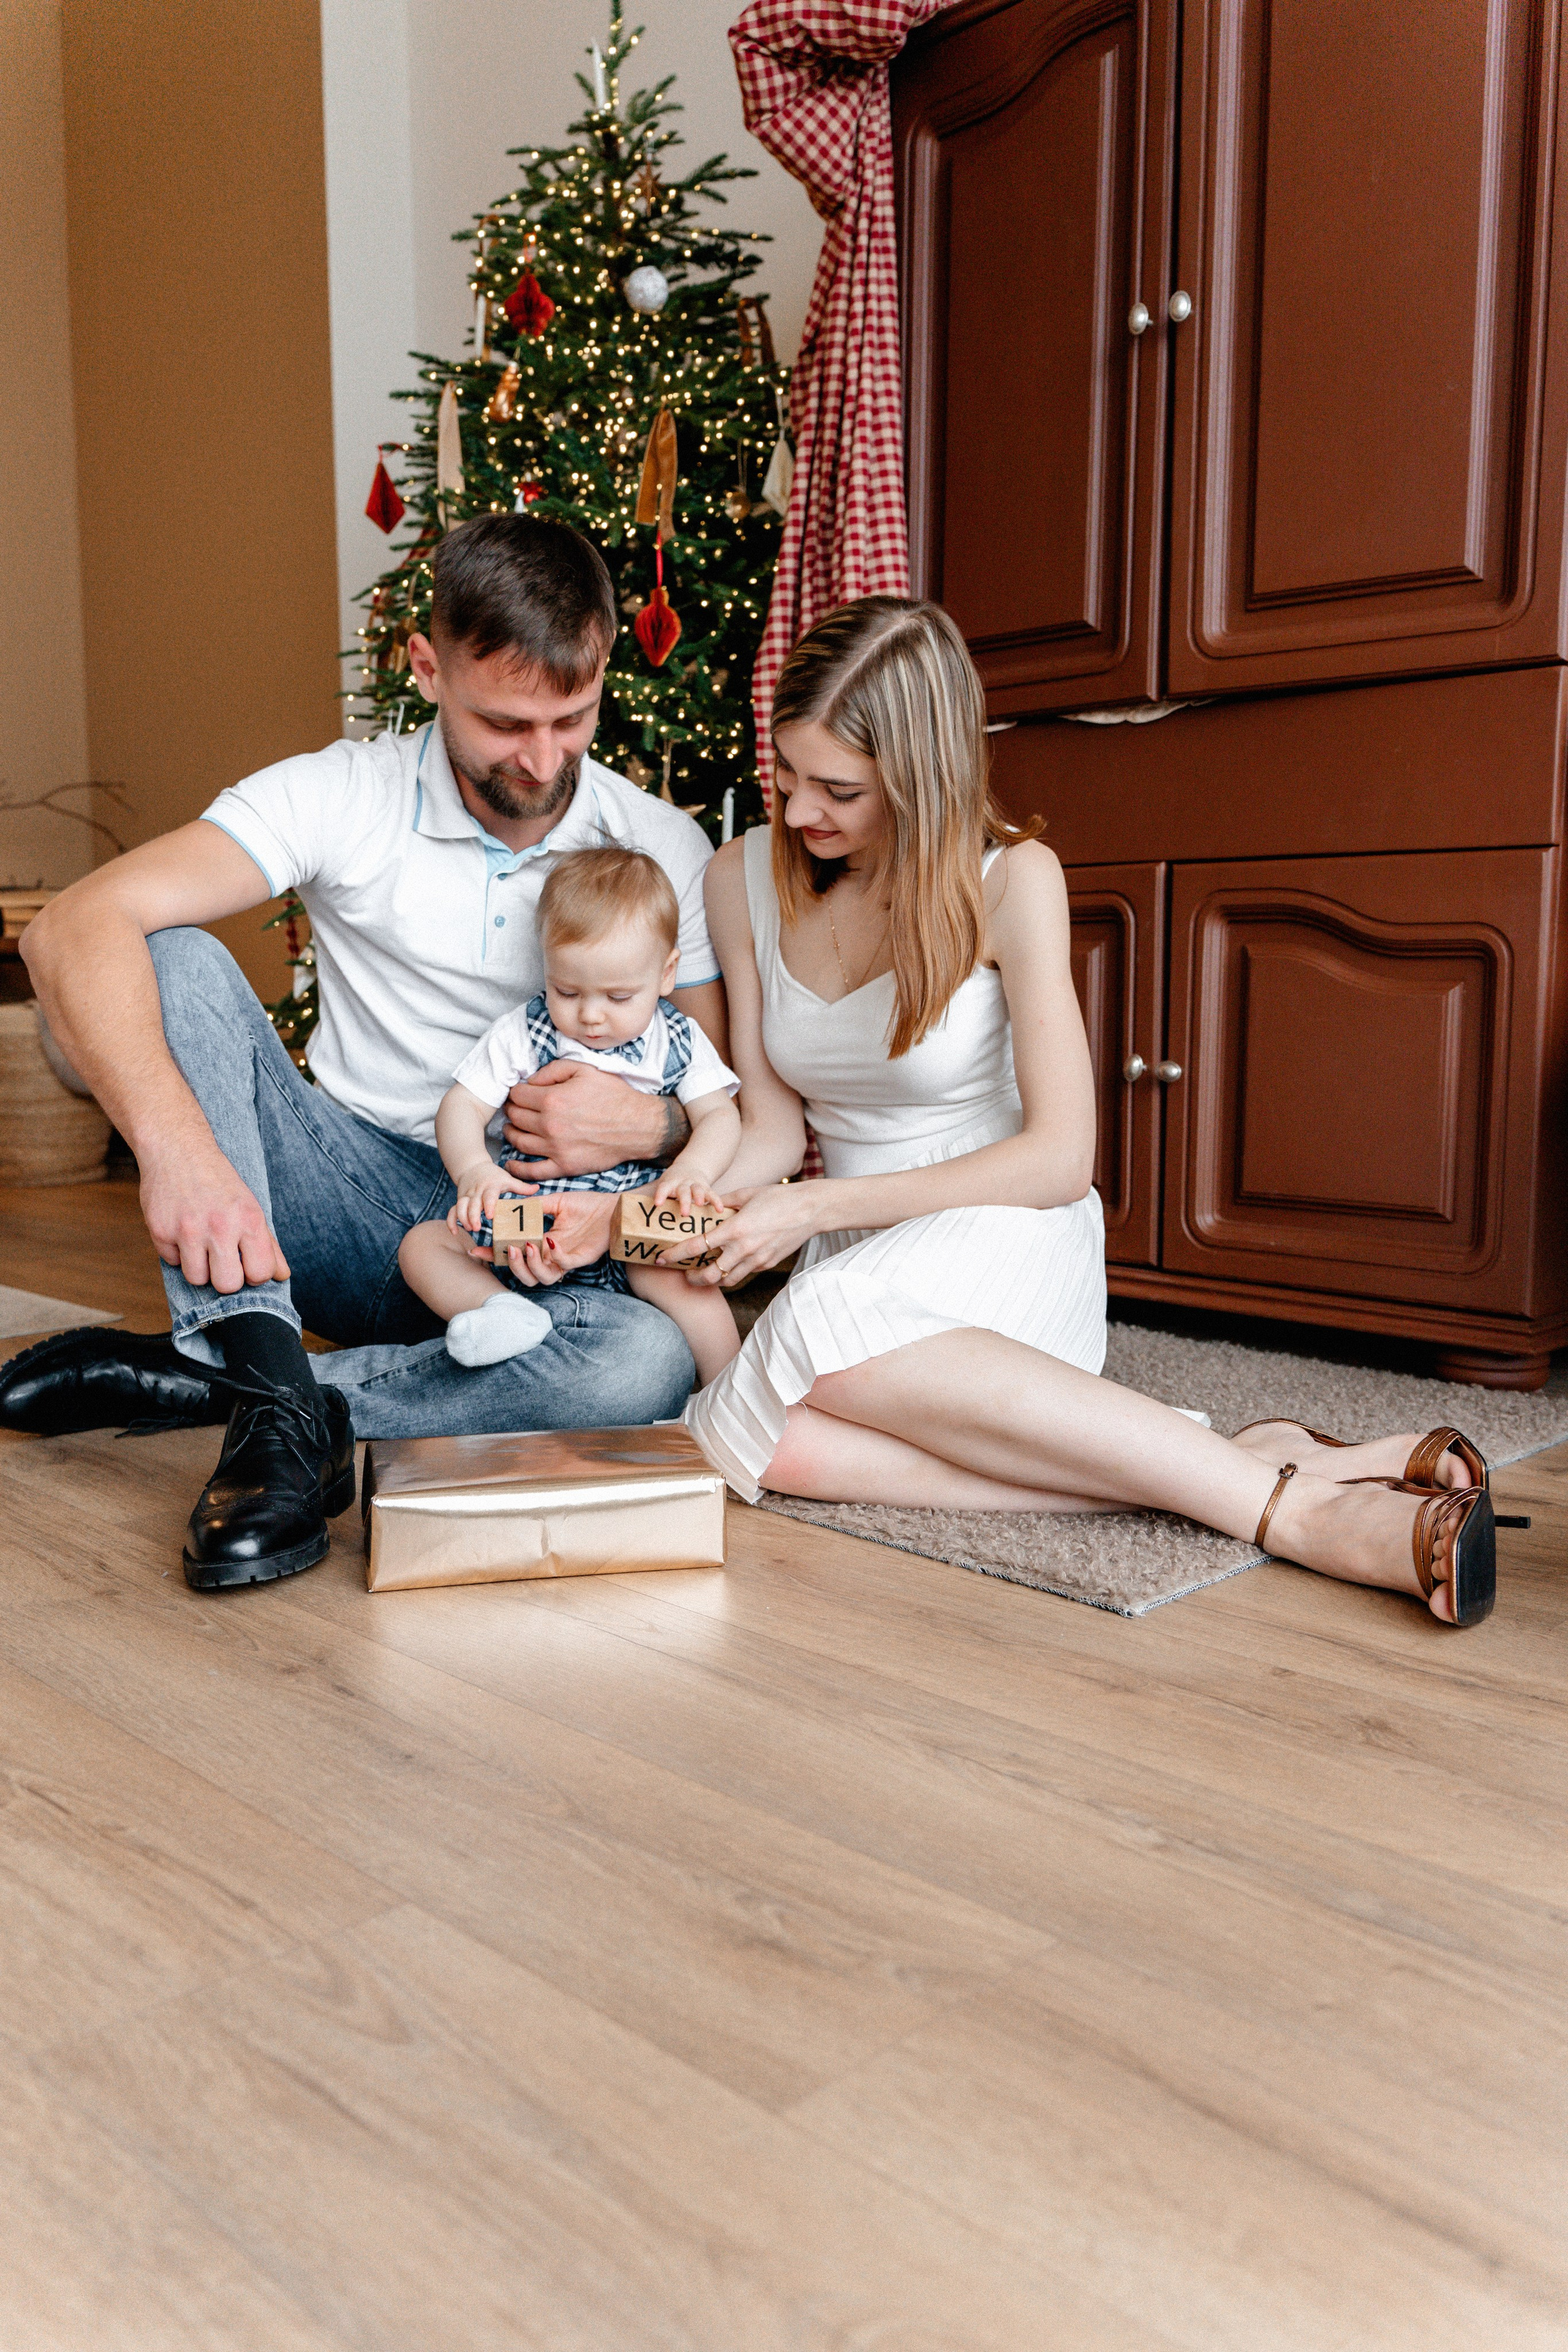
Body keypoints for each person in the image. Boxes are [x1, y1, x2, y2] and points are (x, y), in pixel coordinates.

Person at [666, 597, 1501, 1629]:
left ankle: (1294, 1513)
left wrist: (808, 1215)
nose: (798, 815)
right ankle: (1218, 1456)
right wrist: (688, 1209)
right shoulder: (736, 880)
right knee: (771, 1443)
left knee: (792, 1349)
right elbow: (776, 1132)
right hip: (863, 1260)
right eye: (786, 777)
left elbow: (1060, 1158)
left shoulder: (1012, 879)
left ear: (923, 782)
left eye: (838, 790)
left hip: (1003, 1229)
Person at [5, 517, 724, 1589]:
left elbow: (717, 1083)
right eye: (503, 722)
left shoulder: (659, 842)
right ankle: (270, 1371)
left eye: (572, 718)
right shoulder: (341, 792)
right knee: (173, 952)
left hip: (539, 1247)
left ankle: (260, 1393)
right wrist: (180, 1155)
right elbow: (68, 928)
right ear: (427, 667)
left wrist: (652, 1128)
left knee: (643, 1363)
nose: (541, 759)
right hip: (345, 1204)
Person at [401, 843, 742, 1384]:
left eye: (618, 996)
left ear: (666, 973)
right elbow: (462, 1104)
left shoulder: (677, 1039)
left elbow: (721, 1117)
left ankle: (731, 1392)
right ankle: (504, 1312)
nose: (590, 1015)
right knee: (426, 1246)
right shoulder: (525, 1030)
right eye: (568, 990)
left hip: (629, 1220)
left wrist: (689, 1172)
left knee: (685, 1282)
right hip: (535, 1219)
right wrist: (474, 1170)